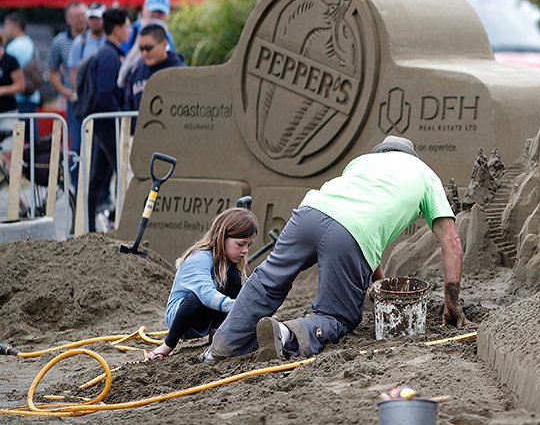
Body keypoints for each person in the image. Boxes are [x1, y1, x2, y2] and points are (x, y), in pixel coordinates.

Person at [201, 136, 465, 363]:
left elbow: (358, 222)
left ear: (382, 152)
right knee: (339, 316)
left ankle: (220, 348)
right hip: (349, 235)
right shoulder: (426, 176)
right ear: (412, 156)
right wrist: (451, 301)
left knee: (266, 282)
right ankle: (285, 334)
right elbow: (451, 241)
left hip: (307, 215)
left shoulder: (362, 162)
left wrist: (378, 281)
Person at [148, 208, 258, 359]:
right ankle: (167, 346)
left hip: (204, 318)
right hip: (181, 317)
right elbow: (206, 294)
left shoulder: (228, 265)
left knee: (234, 279)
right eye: (240, 244)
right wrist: (239, 306)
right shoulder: (199, 257)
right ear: (221, 237)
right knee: (197, 298)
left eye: (249, 245)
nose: (245, 250)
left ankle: (216, 335)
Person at [85, 9, 130, 232]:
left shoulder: (110, 53)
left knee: (100, 175)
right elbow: (104, 93)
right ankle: (104, 219)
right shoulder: (108, 56)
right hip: (107, 123)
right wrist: (119, 116)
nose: (130, 31)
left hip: (105, 123)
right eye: (128, 27)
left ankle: (90, 223)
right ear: (119, 28)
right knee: (124, 173)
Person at [47, 1, 87, 153]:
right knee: (76, 142)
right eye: (77, 16)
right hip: (74, 98)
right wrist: (64, 91)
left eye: (84, 15)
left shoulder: (94, 36)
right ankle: (76, 176)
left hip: (94, 97)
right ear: (68, 19)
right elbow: (51, 70)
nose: (82, 19)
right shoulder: (60, 41)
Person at [119, 0, 177, 89]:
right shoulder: (132, 31)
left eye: (160, 13)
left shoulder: (167, 36)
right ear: (144, 9)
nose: (156, 16)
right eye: (153, 11)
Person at [125, 24, 184, 112]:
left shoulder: (180, 73)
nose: (144, 53)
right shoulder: (137, 71)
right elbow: (128, 105)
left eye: (148, 48)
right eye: (141, 49)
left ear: (164, 44)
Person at [4, 13, 41, 114]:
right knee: (32, 128)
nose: (5, 28)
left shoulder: (13, 47)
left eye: (7, 25)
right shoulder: (30, 42)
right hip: (33, 95)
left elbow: (8, 72)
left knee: (20, 129)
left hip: (19, 98)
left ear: (15, 26)